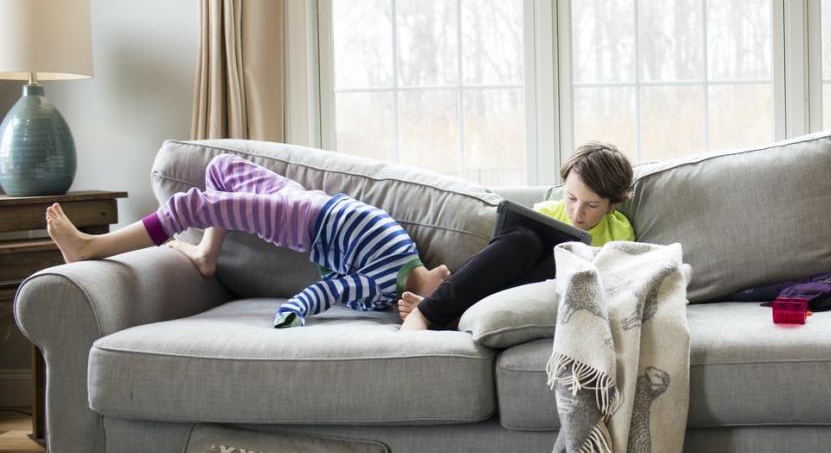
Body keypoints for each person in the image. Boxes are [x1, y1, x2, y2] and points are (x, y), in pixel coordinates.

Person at [44, 154, 451, 328]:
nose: (449, 277)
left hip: (302, 221)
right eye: (449, 288)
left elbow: (333, 288)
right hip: (308, 205)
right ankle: (207, 254)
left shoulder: (386, 287)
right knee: (221, 169)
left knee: (191, 205)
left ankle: (90, 248)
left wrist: (294, 311)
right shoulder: (406, 261)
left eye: (446, 292)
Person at [396, 141, 635, 331]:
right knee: (523, 240)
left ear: (612, 205)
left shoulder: (620, 231)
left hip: (537, 294)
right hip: (500, 283)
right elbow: (499, 263)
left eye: (591, 205)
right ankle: (429, 312)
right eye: (571, 198)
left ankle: (443, 314)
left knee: (566, 256)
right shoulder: (544, 214)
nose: (577, 212)